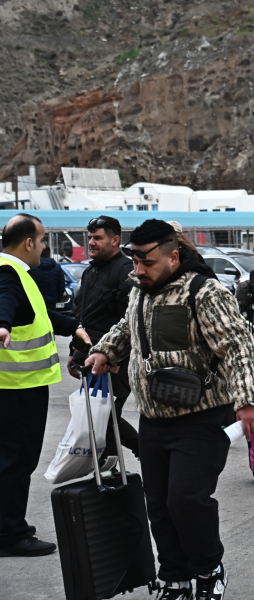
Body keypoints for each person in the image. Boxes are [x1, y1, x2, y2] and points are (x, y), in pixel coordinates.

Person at [85, 219, 254, 600]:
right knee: (160, 505)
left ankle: (208, 570)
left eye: (146, 261)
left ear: (173, 255)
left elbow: (237, 345)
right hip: (153, 418)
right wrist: (104, 350)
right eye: (133, 260)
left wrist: (248, 401)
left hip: (200, 416)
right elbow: (126, 328)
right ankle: (175, 577)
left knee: (186, 500)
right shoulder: (140, 290)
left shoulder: (204, 291)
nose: (137, 269)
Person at [0, 214, 90, 558]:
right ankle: (10, 534)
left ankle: (7, 524)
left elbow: (38, 315)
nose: (43, 248)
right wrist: (2, 324)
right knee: (16, 460)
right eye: (41, 241)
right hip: (18, 386)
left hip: (15, 385)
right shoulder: (9, 274)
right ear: (28, 243)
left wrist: (72, 326)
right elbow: (5, 302)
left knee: (9, 459)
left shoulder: (18, 272)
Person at [67, 215, 140, 464]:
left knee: (106, 418)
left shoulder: (125, 271)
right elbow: (83, 320)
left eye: (98, 238)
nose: (91, 243)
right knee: (97, 418)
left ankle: (144, 452)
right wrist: (75, 352)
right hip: (91, 360)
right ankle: (107, 476)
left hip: (114, 363)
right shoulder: (90, 272)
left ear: (115, 240)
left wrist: (115, 357)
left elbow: (130, 321)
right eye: (90, 238)